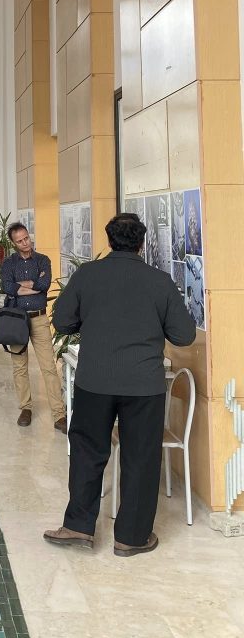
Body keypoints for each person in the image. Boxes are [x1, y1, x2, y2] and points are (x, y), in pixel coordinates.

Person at [44, 213, 196, 557]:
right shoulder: (159, 281)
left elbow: (62, 321)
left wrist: (93, 321)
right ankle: (132, 537)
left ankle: (78, 527)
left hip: (94, 381)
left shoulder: (87, 275)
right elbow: (184, 335)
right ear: (141, 243)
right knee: (140, 458)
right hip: (144, 385)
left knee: (87, 451)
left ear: (109, 240)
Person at [1, 222, 67, 433]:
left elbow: (44, 285)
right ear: (13, 243)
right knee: (20, 367)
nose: (25, 243)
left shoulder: (42, 260)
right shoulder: (9, 263)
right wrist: (32, 284)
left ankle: (59, 414)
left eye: (26, 238)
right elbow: (8, 287)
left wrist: (22, 285)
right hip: (17, 321)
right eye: (20, 241)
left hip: (39, 319)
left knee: (49, 367)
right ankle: (26, 409)